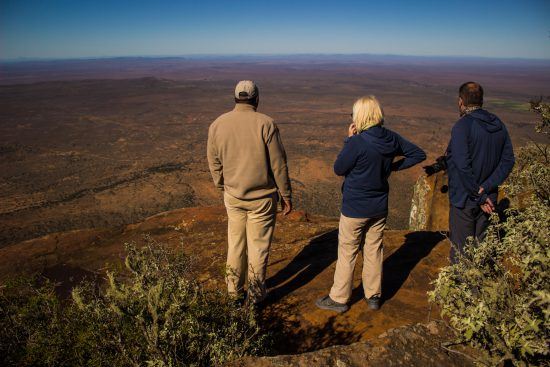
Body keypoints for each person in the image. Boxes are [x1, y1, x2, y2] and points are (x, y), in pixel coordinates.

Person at [316, 96, 426, 313]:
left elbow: (339, 168)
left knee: (348, 250)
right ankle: (373, 296)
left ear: (360, 116)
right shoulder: (391, 138)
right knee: (374, 250)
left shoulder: (357, 142)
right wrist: (392, 167)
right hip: (379, 207)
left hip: (355, 208)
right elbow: (418, 154)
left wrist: (349, 140)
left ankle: (339, 298)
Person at [207, 80, 292, 305]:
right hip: (262, 199)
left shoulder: (218, 124)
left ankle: (234, 293)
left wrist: (222, 184)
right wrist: (286, 195)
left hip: (233, 197)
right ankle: (255, 298)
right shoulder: (266, 124)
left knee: (235, 244)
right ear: (256, 99)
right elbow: (278, 164)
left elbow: (213, 161)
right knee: (258, 248)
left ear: (235, 98)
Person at [444, 82, 514, 264]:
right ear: (481, 101)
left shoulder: (462, 126)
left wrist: (478, 194)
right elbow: (507, 161)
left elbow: (462, 166)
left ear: (461, 102)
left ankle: (462, 292)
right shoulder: (498, 124)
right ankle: (481, 290)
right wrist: (487, 188)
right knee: (481, 251)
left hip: (465, 199)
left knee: (461, 253)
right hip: (489, 199)